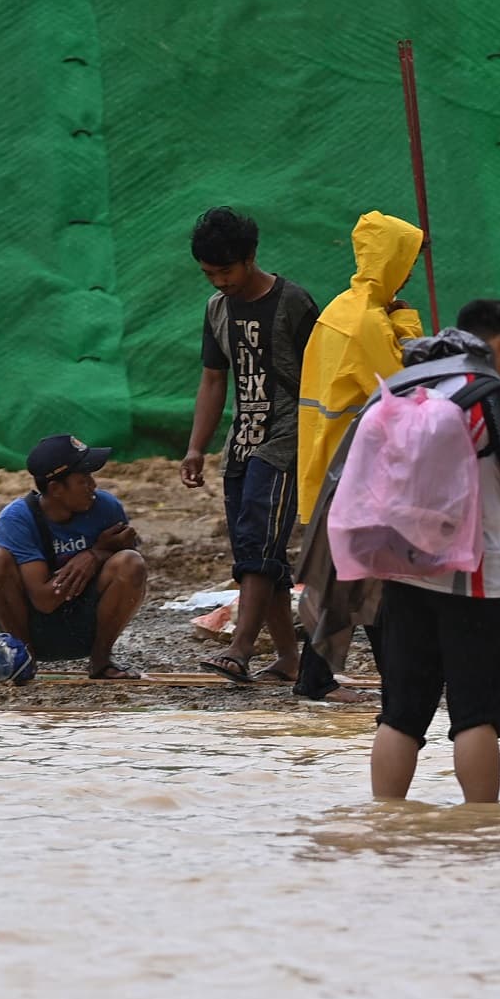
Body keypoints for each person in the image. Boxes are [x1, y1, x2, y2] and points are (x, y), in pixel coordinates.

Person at [365, 300, 500, 804]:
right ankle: (479, 832)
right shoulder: (492, 394)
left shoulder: (408, 386)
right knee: (475, 717)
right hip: (477, 580)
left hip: (402, 571)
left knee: (400, 715)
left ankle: (387, 823)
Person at [183, 207, 319, 685]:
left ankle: (240, 648)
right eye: (209, 274)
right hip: (242, 442)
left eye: (226, 271)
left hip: (289, 438)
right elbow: (214, 380)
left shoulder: (294, 302)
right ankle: (288, 660)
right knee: (260, 549)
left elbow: (324, 375)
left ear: (251, 258)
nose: (220, 282)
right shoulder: (216, 310)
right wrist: (197, 447)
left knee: (260, 540)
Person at [293, 211, 423, 702]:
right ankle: (386, 683)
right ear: (390, 261)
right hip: (360, 472)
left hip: (333, 465)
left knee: (355, 578)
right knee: (368, 580)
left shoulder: (340, 310)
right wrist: (409, 328)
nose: (408, 274)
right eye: (406, 262)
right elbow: (410, 388)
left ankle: (322, 680)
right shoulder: (369, 323)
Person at [0, 435, 149, 679]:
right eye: (83, 480)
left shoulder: (107, 508)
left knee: (131, 562)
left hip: (86, 624)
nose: (93, 486)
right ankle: (24, 660)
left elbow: (129, 578)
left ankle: (101, 661)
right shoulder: (18, 518)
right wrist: (93, 553)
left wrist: (95, 555)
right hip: (35, 625)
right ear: (56, 489)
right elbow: (44, 601)